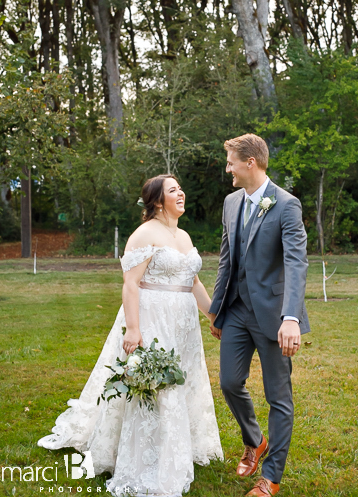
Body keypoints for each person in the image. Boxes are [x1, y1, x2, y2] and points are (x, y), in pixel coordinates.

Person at [38, 174, 223, 496]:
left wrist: (212, 315)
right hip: (154, 318)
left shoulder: (183, 235)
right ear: (156, 200)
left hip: (183, 324)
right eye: (173, 190)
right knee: (156, 383)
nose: (181, 193)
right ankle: (147, 455)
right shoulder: (144, 234)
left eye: (180, 188)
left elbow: (193, 282)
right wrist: (134, 329)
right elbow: (130, 284)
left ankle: (181, 443)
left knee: (182, 380)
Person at [207, 134, 309, 497]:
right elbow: (226, 260)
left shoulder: (286, 204)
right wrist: (217, 311)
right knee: (229, 383)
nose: (228, 168)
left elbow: (297, 263)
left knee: (277, 397)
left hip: (274, 316)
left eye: (231, 161)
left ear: (250, 162)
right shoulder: (231, 202)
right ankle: (255, 440)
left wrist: (291, 318)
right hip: (235, 311)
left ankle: (271, 477)